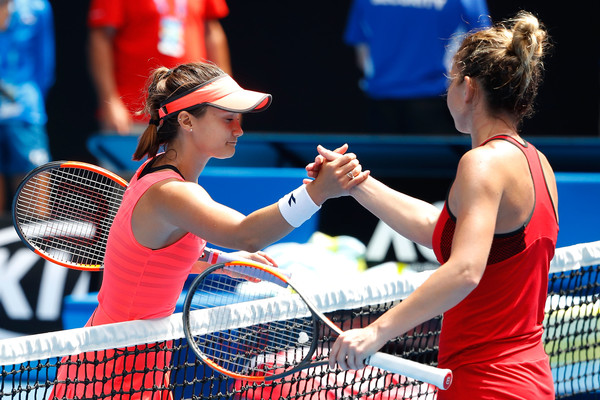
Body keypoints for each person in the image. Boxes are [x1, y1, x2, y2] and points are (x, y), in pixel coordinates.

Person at [48, 62, 368, 399]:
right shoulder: (172, 192)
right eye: (227, 118)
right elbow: (247, 233)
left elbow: (157, 253)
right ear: (186, 120)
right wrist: (316, 192)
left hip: (130, 361)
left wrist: (224, 261)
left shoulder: (155, 173)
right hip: (111, 373)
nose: (239, 130)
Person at [309, 11, 557, 398]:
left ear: (469, 89)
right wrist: (356, 183)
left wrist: (377, 331)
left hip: (485, 385)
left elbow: (464, 271)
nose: (448, 92)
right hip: (528, 380)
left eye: (451, 80)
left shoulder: (481, 163)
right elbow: (439, 228)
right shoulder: (537, 163)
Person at [344, 0, 490, 134]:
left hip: (382, 104)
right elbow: (482, 47)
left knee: (381, 162)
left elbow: (362, 55)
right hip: (437, 103)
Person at [87, 0, 232, 135]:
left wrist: (225, 93)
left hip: (194, 110)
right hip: (135, 114)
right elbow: (101, 38)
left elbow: (212, 31)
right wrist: (110, 101)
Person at [0, 0, 54, 217]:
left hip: (25, 112)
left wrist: (29, 100)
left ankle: (33, 251)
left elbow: (45, 66)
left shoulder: (37, 7)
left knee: (34, 201)